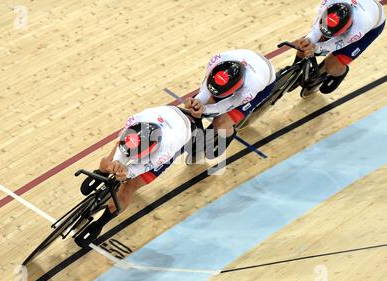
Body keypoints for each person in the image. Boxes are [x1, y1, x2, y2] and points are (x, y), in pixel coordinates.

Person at [74, 105, 192, 247]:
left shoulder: (164, 152)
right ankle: (101, 173)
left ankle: (100, 223)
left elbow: (138, 169)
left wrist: (126, 173)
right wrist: (111, 165)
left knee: (128, 187)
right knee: (110, 162)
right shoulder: (135, 121)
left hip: (180, 133)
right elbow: (122, 148)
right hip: (161, 117)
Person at [184, 49, 276, 160]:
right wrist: (198, 100)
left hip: (264, 82)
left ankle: (229, 133)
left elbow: (226, 105)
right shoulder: (216, 61)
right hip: (247, 59)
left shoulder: (248, 90)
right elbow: (206, 89)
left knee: (221, 123)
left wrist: (204, 110)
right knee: (196, 106)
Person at [292, 0, 385, 94]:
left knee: (332, 66)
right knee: (304, 44)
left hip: (372, 26)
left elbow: (334, 45)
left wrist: (316, 48)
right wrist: (308, 40)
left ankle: (340, 73)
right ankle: (294, 70)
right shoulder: (327, 3)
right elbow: (316, 29)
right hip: (360, 10)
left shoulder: (358, 29)